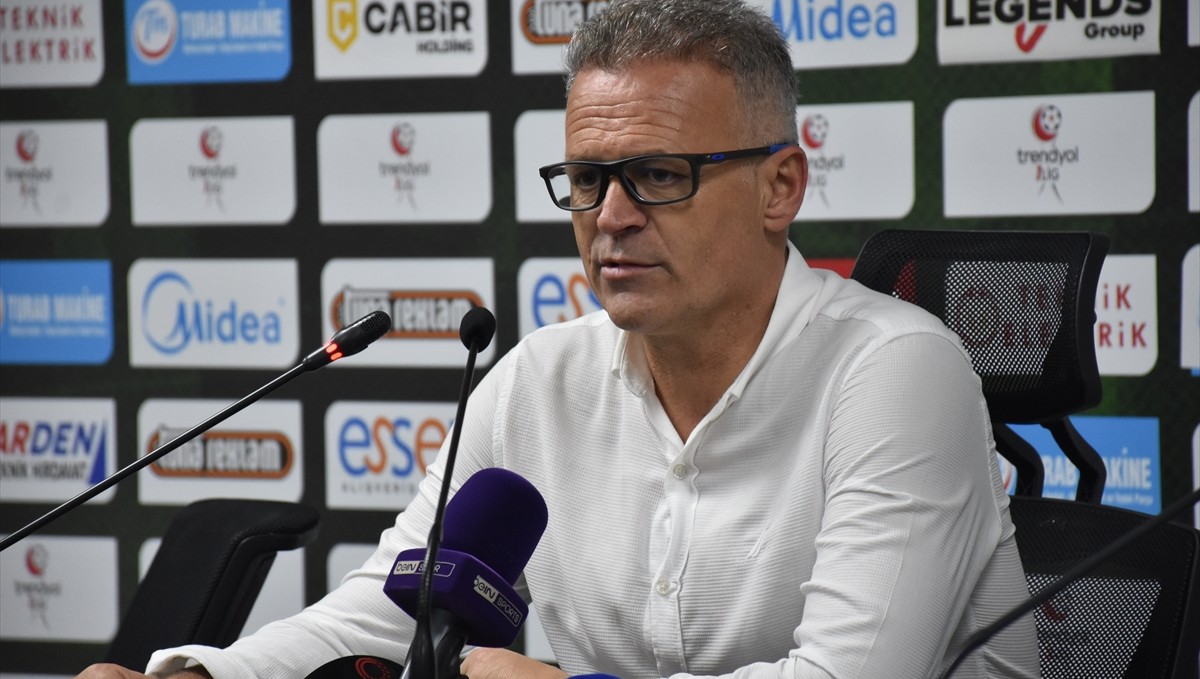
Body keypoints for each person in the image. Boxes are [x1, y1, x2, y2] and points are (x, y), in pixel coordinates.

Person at [78, 1, 1037, 677]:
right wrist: (209, 675)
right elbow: (390, 610)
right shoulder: (538, 378)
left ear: (779, 187)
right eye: (586, 179)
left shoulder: (896, 371)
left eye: (658, 174)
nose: (610, 217)